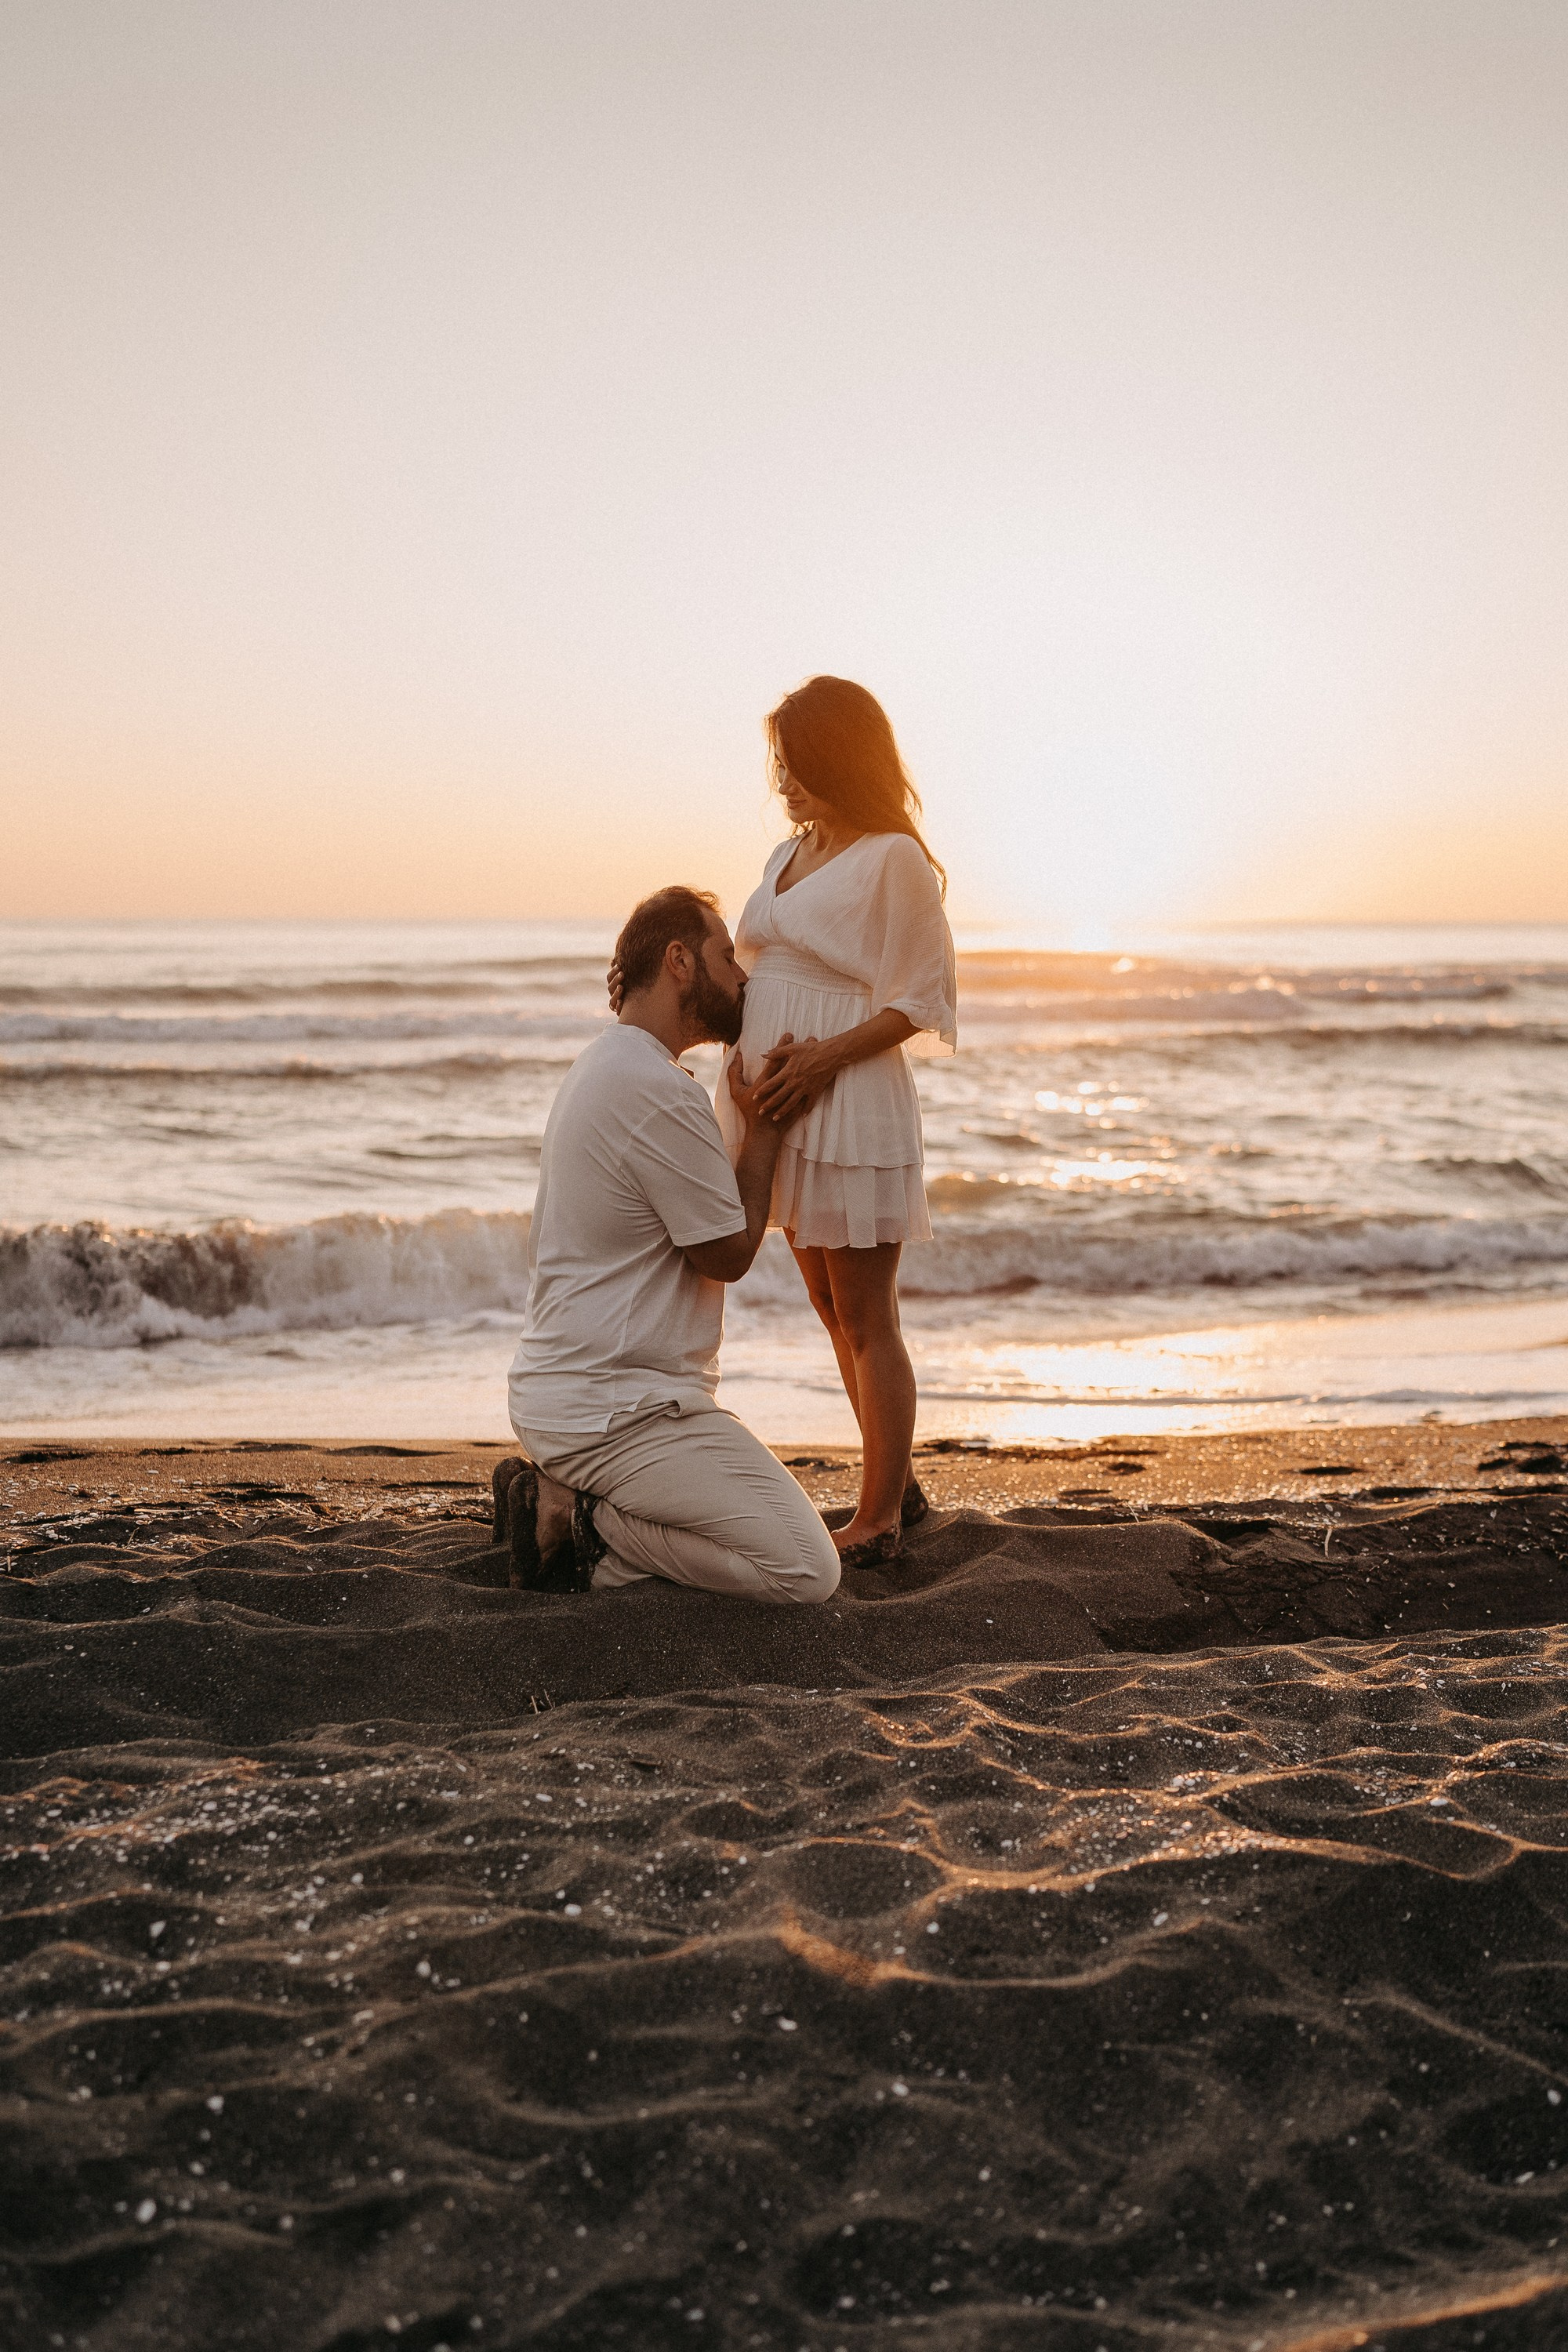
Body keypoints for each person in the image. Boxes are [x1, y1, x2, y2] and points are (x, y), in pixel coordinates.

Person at [504, 884, 841, 1604]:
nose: (743, 976)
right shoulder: (656, 1089)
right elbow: (727, 1254)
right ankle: (585, 1525)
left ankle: (572, 1501)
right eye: (728, 956)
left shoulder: (606, 1067)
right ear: (681, 961)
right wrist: (768, 1132)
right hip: (618, 1412)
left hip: (575, 1396)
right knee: (806, 1571)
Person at [716, 676, 956, 1569]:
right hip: (778, 1101)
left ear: (838, 759)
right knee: (824, 1302)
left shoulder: (891, 857)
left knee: (866, 1314)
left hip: (844, 1096)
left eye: (797, 764)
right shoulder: (792, 850)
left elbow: (916, 1001)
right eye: (778, 765)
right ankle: (896, 1486)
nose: (782, 782)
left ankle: (880, 1515)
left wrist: (818, 1057)